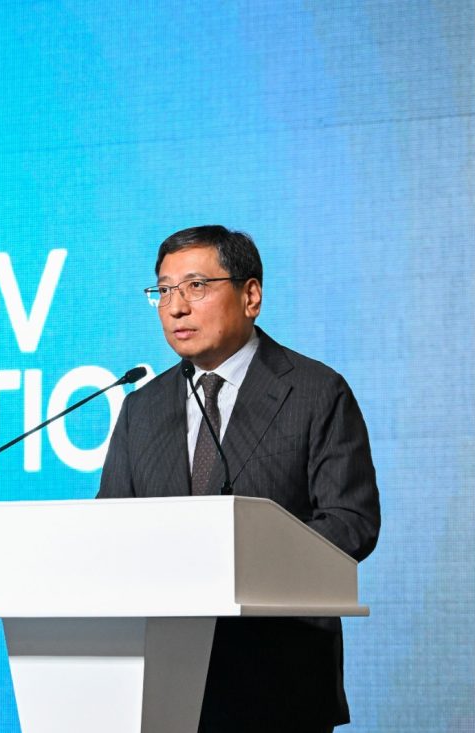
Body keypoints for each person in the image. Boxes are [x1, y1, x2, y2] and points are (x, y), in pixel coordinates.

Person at [97, 225, 380, 732]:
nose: (176, 307)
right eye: (164, 290)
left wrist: (238, 561)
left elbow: (350, 523)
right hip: (162, 685)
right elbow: (110, 529)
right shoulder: (142, 408)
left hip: (278, 683)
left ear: (250, 296)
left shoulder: (316, 391)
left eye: (196, 286)